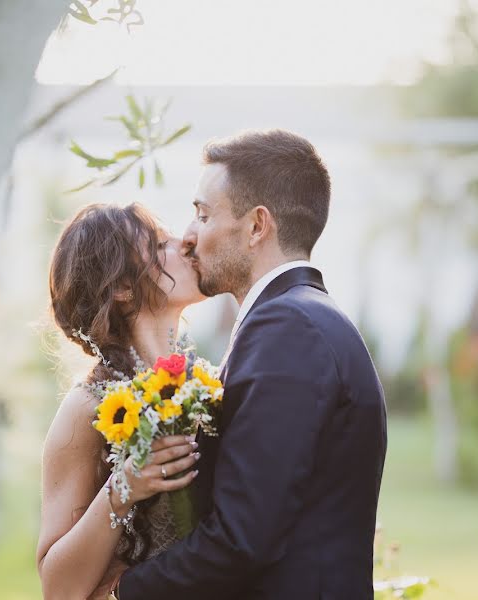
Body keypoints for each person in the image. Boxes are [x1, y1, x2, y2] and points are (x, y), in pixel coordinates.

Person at [110, 129, 388, 599]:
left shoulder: (287, 326)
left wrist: (122, 594)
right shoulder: (303, 317)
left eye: (202, 214)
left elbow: (242, 538)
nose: (189, 237)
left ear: (257, 226)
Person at [36, 203, 205, 599]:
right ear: (122, 288)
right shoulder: (88, 409)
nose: (187, 242)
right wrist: (125, 486)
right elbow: (58, 590)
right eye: (162, 245)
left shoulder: (205, 386)